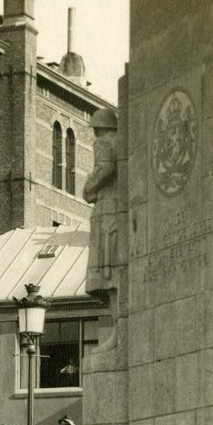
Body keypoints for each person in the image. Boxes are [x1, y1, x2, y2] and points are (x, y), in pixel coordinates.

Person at [84, 107, 124, 349]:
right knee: (114, 276)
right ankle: (119, 331)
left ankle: (118, 331)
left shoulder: (103, 143)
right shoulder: (120, 142)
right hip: (115, 210)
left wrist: (88, 188)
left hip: (107, 212)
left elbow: (105, 169)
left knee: (110, 277)